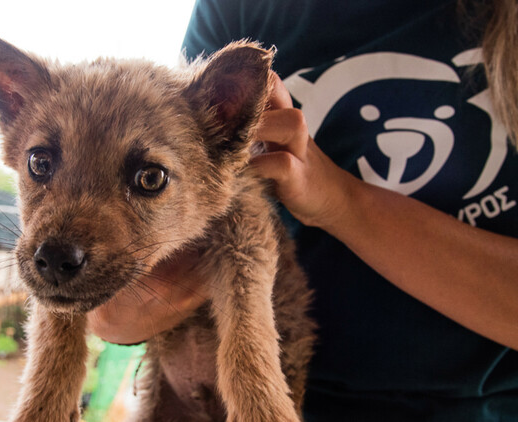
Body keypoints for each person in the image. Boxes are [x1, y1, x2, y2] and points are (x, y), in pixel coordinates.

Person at [89, 0, 518, 420]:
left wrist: (337, 200)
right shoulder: (236, 9)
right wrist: (112, 302)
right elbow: (114, 314)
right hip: (268, 392)